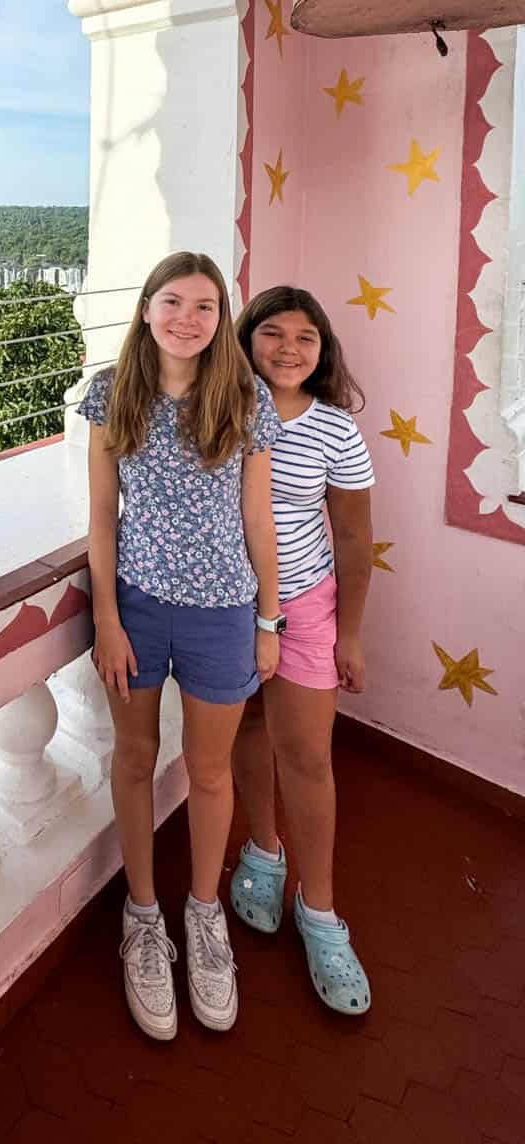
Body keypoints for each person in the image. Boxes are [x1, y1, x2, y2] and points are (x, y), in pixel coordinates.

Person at [80, 251, 282, 1041]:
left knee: (208, 770)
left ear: (219, 317)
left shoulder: (244, 396)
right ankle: (142, 917)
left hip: (223, 610)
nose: (187, 319)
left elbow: (257, 517)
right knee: (134, 758)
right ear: (145, 309)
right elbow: (102, 514)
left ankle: (203, 919)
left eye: (204, 306)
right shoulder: (113, 392)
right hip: (134, 606)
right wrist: (105, 616)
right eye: (173, 302)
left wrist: (269, 619)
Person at [229, 286, 374, 1016]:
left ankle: (320, 915)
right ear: (246, 340)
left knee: (308, 758)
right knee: (248, 730)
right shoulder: (220, 413)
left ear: (322, 352)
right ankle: (262, 850)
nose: (289, 348)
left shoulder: (335, 430)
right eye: (273, 333)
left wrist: (349, 631)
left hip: (306, 607)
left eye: (305, 338)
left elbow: (351, 537)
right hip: (229, 608)